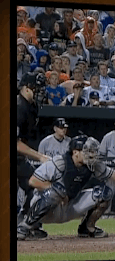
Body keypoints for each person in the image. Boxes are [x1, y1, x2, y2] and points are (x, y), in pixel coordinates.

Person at [16, 135, 115, 240]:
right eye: (87, 151)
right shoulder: (59, 162)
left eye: (92, 151)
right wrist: (58, 191)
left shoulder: (92, 164)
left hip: (69, 207)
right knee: (57, 189)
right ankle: (25, 227)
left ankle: (87, 228)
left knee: (104, 193)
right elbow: (34, 181)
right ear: (75, 152)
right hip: (46, 209)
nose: (92, 154)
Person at [17, 72, 51, 238]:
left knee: (37, 185)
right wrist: (39, 157)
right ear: (25, 88)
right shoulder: (18, 106)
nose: (38, 92)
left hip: (18, 158)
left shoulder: (31, 107)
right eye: (34, 89)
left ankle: (28, 224)